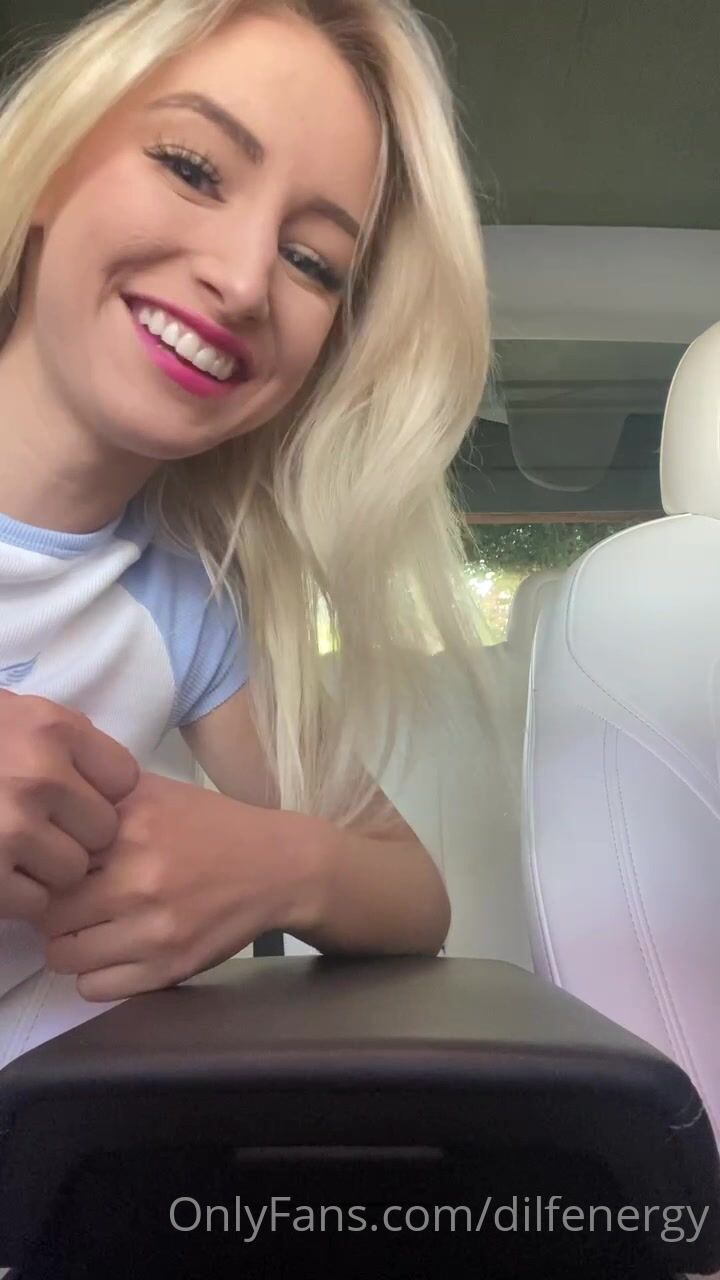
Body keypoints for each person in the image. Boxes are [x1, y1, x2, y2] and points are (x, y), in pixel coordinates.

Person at [0, 0, 496, 1066]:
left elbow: (412, 892)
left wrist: (275, 863)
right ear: (49, 167)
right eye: (192, 167)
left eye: (313, 262)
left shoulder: (189, 600)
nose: (241, 280)